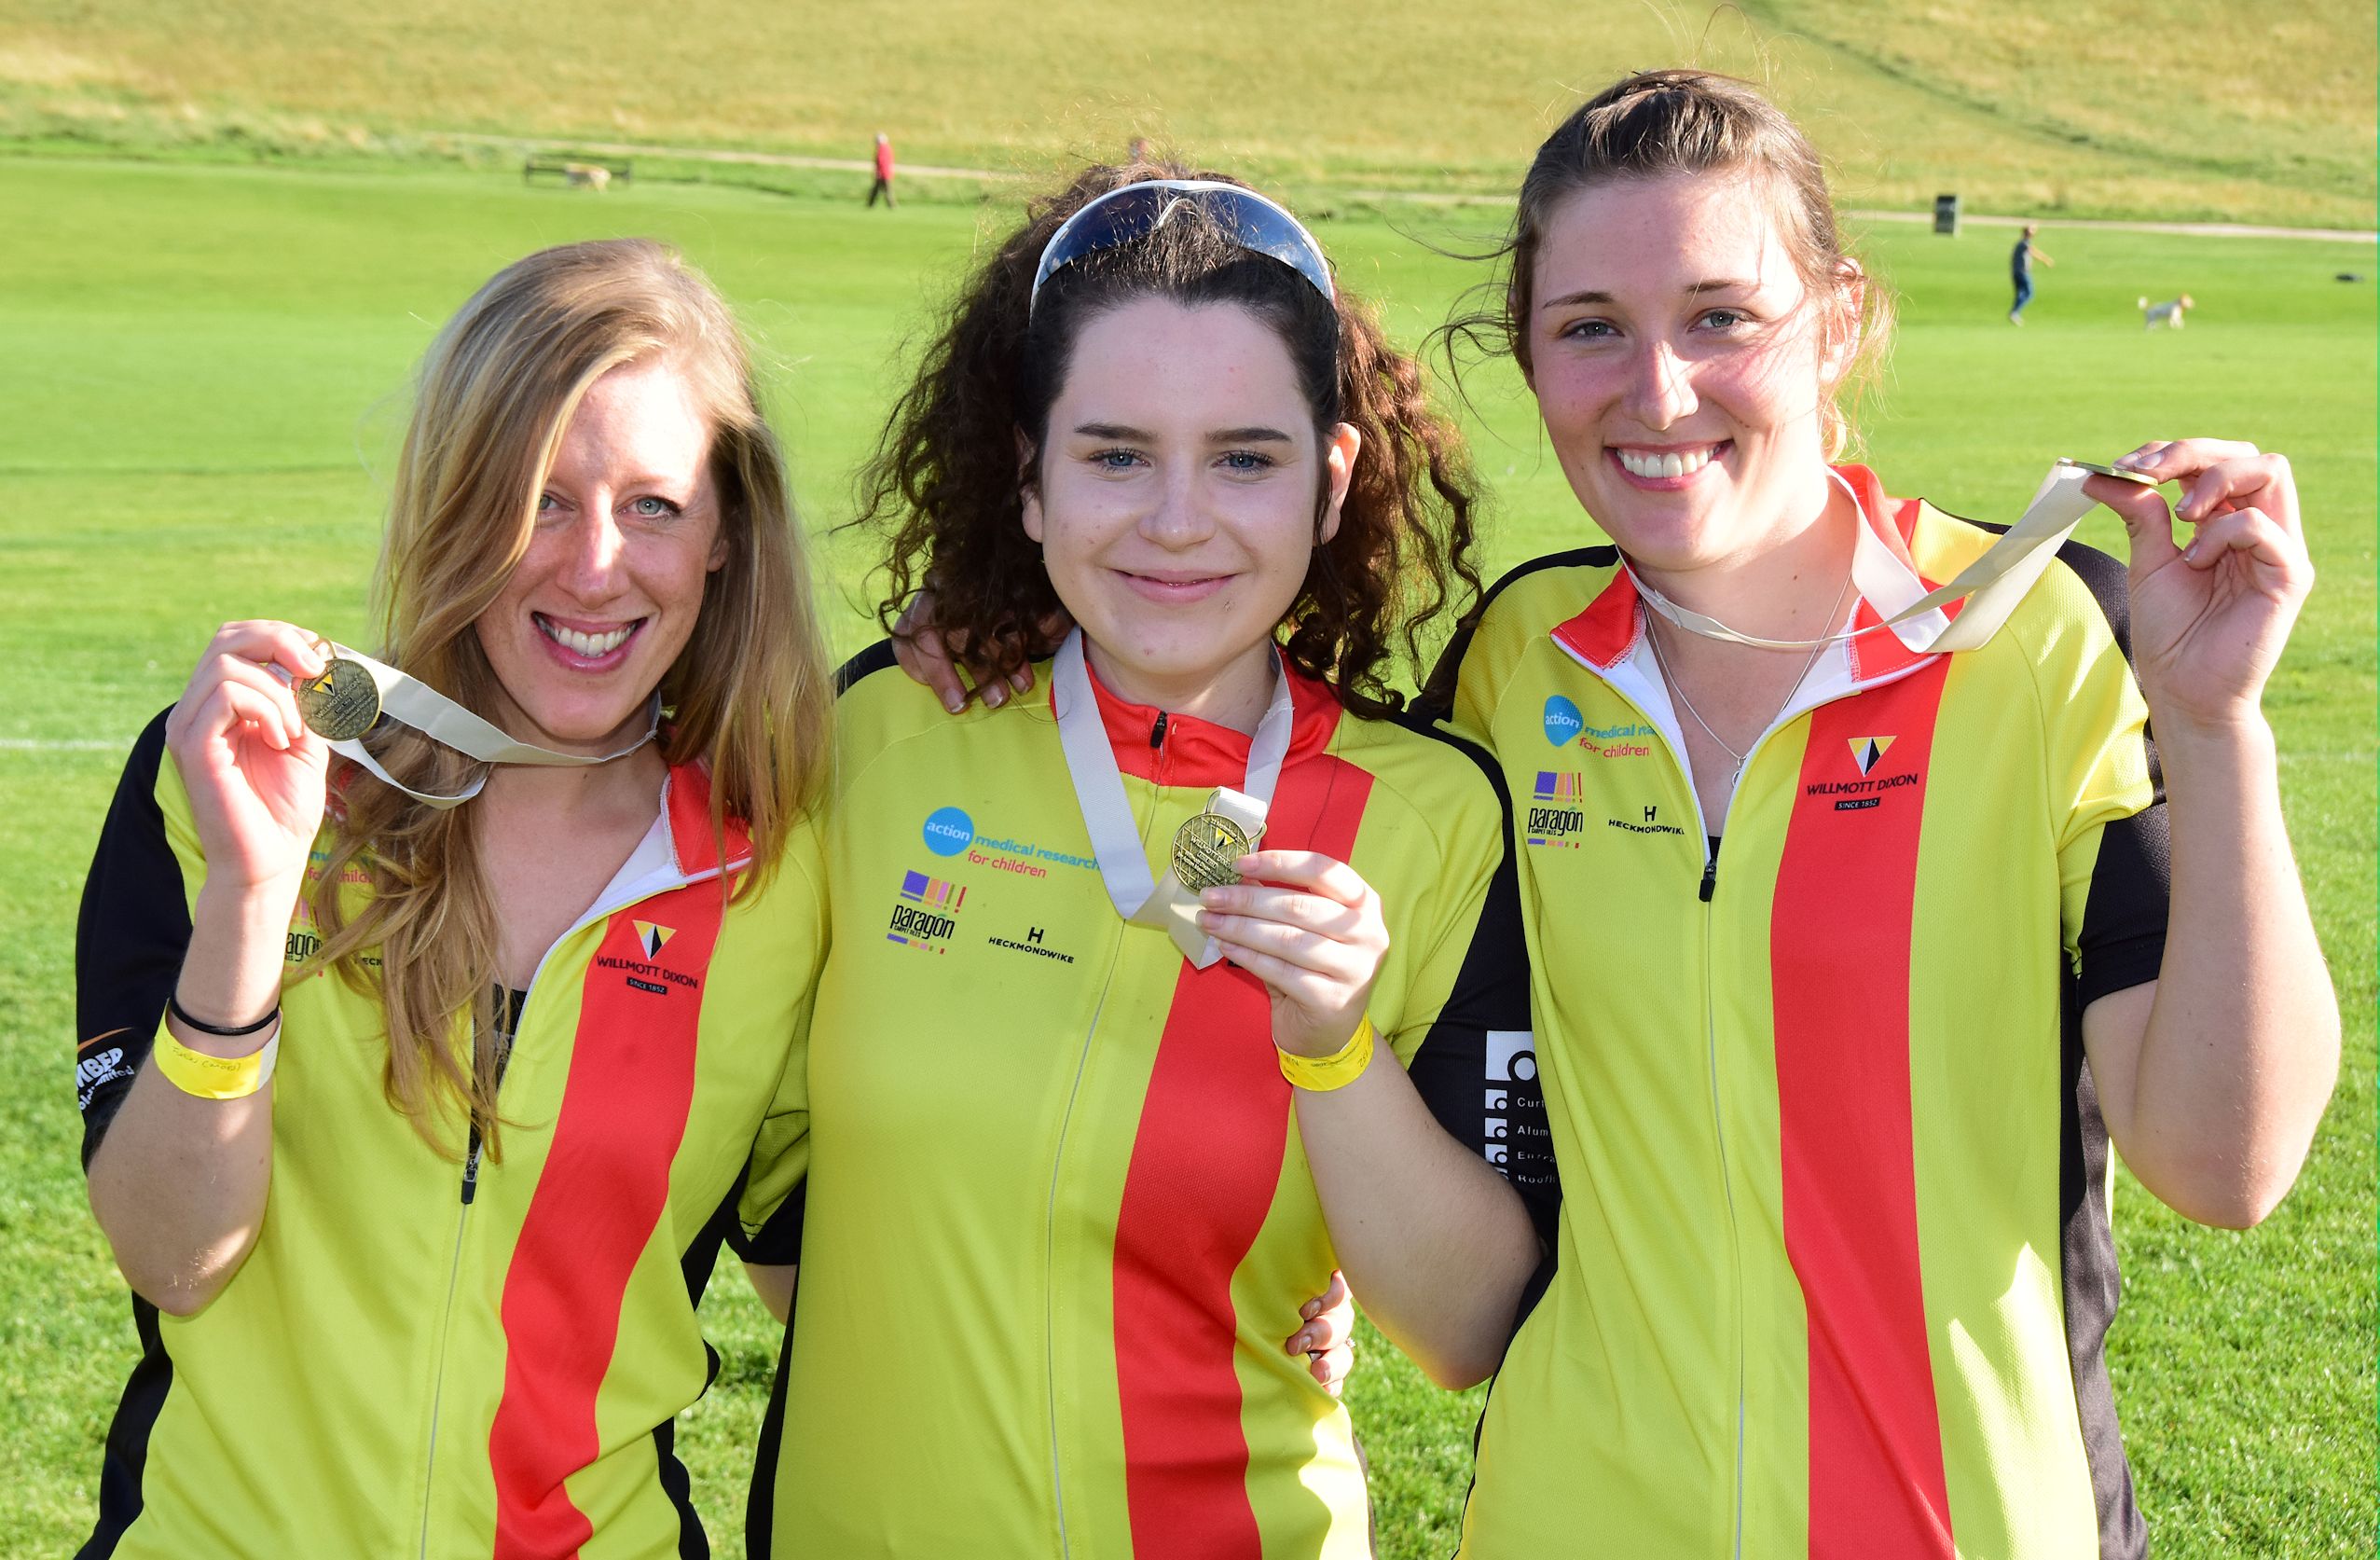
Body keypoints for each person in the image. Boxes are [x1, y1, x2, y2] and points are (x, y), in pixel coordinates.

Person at [1427, 69, 2337, 1557]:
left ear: (1835, 319)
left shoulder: (2041, 637)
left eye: (1721, 315)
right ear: (1528, 354)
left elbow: (2224, 1163)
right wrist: (1009, 636)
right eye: (1590, 326)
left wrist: (2215, 721)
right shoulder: (1512, 668)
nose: (1656, 392)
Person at [739, 167, 1548, 1557]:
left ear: (1331, 479)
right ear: (1030, 479)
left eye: (1245, 457)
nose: (1178, 520)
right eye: (1115, 454)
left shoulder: (1435, 818)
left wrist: (1336, 1054)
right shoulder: (874, 737)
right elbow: (754, 1176)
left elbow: (1472, 1328)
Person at [71, 238, 835, 1557]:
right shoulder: (238, 787)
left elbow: (828, 1267)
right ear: (454, 504)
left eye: (654, 505)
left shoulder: (785, 866)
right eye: (540, 498)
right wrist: (255, 896)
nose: (596, 568)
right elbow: (172, 1255)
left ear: (727, 536)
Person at [2011, 220, 2053, 323]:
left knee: (2021, 294)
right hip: (2022, 273)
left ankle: (2015, 314)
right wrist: (2045, 260)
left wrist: (2045, 258)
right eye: (2032, 230)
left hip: (2016, 272)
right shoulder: (2024, 243)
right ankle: (2014, 312)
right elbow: (2032, 252)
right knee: (2029, 294)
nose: (2033, 232)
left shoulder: (2022, 243)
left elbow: (2031, 251)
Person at [868, 131, 897, 208]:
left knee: (885, 190)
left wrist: (878, 172)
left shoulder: (882, 148)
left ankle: (891, 205)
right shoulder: (888, 148)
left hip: (883, 173)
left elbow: (881, 161)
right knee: (879, 190)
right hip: (886, 172)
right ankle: (871, 204)